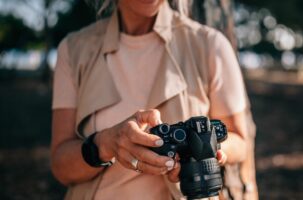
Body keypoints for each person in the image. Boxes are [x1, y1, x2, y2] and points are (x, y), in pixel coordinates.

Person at [50, 0, 257, 199]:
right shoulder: (74, 50)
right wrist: (105, 144)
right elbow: (61, 166)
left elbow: (240, 140)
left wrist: (201, 148)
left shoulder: (210, 44)